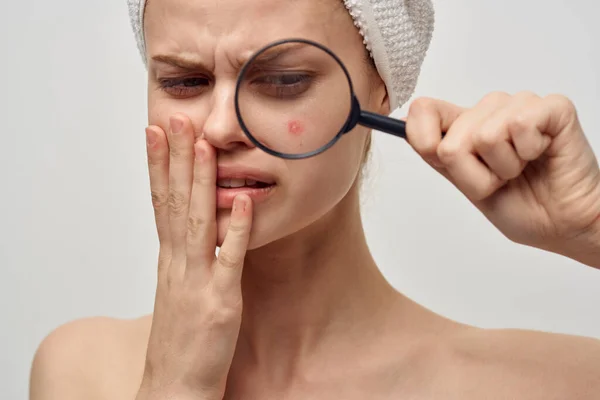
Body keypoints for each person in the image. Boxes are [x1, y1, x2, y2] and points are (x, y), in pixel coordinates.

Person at [29, 0, 600, 399]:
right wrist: (175, 386)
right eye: (184, 82)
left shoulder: (555, 384)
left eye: (282, 81)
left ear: (380, 87)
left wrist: (592, 231)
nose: (222, 126)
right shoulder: (81, 372)